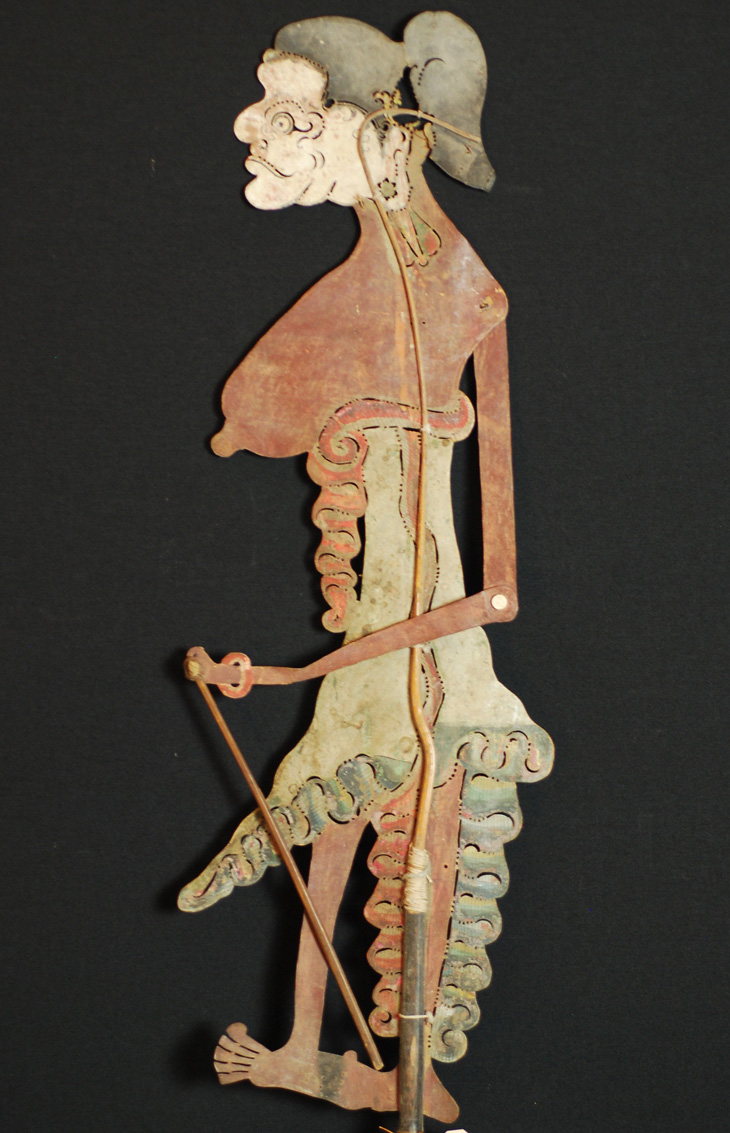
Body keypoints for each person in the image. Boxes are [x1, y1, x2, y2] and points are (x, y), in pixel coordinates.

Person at [178, 14, 554, 1122]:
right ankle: (308, 1044)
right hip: (369, 658)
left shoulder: (465, 296)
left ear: (384, 135)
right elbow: (253, 415)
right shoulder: (367, 294)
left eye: (293, 114)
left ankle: (410, 1073)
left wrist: (293, 676)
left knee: (401, 842)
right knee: (331, 839)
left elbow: (495, 589)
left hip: (432, 669)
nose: (256, 129)